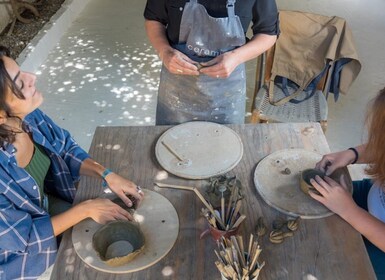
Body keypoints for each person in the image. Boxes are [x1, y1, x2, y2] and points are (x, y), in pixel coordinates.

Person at [0, 46, 144, 279]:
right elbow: (25, 240)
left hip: (45, 205)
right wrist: (85, 209)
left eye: (22, 71)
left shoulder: (27, 116)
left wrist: (107, 174)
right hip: (19, 253)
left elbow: (65, 147)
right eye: (19, 83)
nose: (32, 77)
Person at [144, 0, 279, 125]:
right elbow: (154, 19)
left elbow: (267, 33)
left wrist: (236, 57)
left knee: (224, 143)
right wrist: (164, 51)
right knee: (170, 142)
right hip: (175, 88)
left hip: (227, 90)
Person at [310, 87, 385, 278]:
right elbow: (381, 147)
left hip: (380, 243)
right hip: (371, 196)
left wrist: (348, 210)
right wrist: (352, 154)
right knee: (313, 218)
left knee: (332, 265)